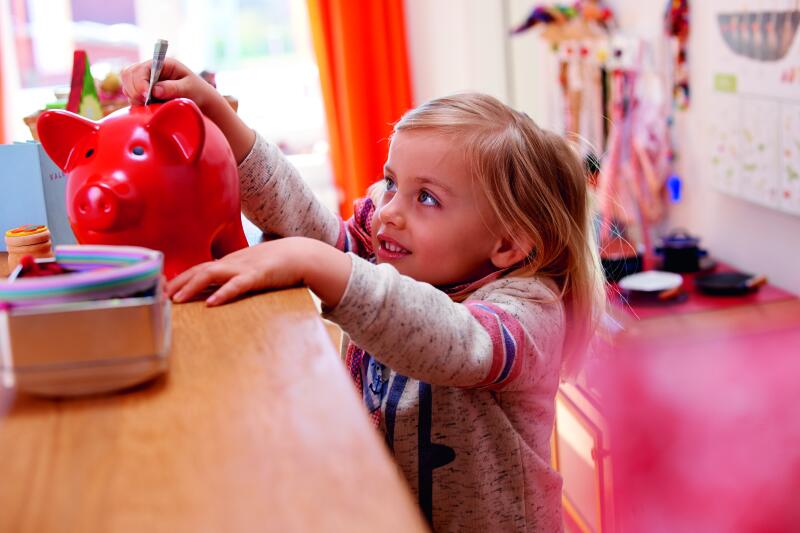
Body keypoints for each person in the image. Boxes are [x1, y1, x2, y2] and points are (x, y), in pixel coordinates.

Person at [121, 58, 607, 532]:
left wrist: (316, 261)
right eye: (392, 183)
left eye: (427, 198)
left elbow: (456, 343)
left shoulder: (529, 310)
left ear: (507, 244)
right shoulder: (398, 251)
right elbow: (307, 224)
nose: (389, 211)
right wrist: (217, 117)